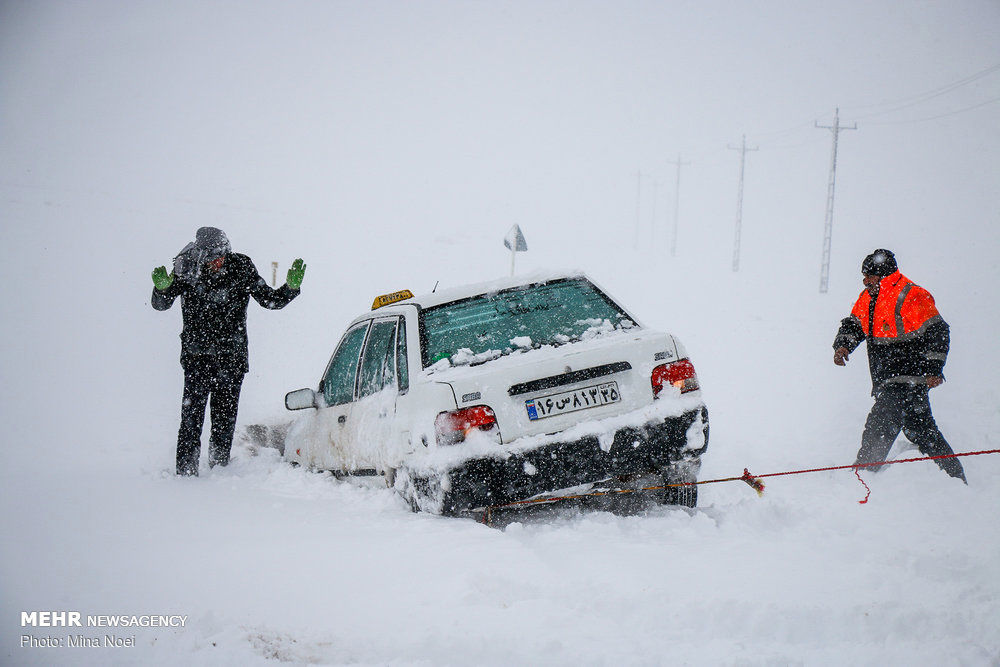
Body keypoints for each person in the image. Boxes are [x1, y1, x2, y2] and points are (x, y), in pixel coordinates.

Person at [151, 227, 305, 476]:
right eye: (212, 257)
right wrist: (161, 289)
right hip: (196, 357)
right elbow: (161, 304)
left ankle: (219, 467)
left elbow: (270, 300)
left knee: (224, 419)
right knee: (191, 420)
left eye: (221, 255)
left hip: (231, 359)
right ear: (201, 253)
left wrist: (290, 288)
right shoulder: (187, 267)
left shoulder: (241, 267)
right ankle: (185, 471)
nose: (218, 261)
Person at [832, 249, 965, 482]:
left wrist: (934, 369)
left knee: (881, 424)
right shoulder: (869, 298)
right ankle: (955, 478)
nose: (864, 281)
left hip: (907, 378)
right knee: (921, 431)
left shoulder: (911, 295)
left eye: (868, 276)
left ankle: (861, 478)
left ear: (882, 275)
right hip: (888, 379)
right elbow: (854, 325)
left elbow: (938, 331)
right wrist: (843, 346)